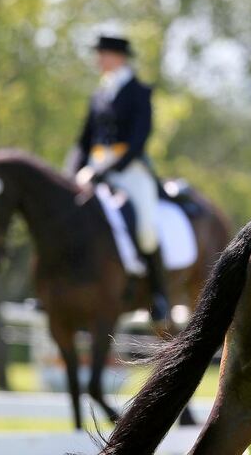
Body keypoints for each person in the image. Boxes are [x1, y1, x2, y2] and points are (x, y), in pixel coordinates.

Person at [74, 35, 170, 324]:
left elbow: (139, 140)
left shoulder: (139, 92)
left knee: (145, 230)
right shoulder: (99, 94)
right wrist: (72, 173)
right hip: (94, 169)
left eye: (102, 54)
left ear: (118, 57)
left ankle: (158, 294)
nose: (98, 60)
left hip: (130, 171)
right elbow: (83, 141)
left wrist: (109, 168)